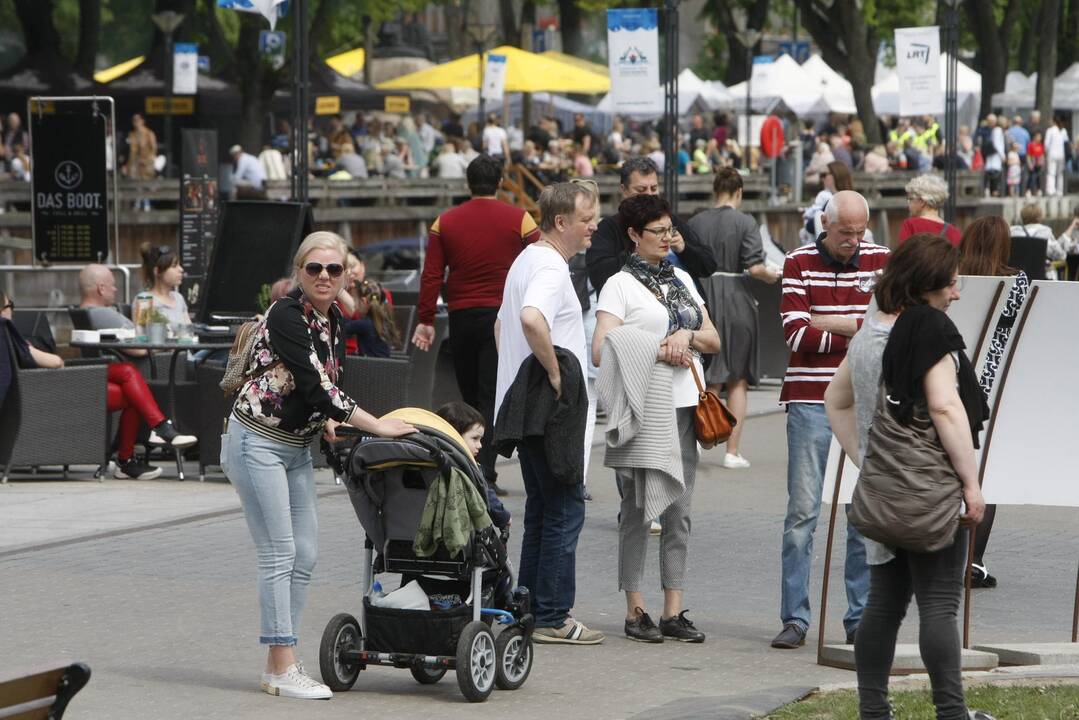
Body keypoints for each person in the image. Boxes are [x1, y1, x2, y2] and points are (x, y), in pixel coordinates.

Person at [223, 231, 414, 700]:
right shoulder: (288, 313)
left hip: (294, 447)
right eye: (314, 269)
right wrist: (380, 426)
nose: (324, 277)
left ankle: (276, 667)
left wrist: (330, 424)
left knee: (304, 555)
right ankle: (285, 663)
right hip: (257, 443)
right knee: (279, 554)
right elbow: (318, 387)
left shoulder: (332, 321)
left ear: (348, 273)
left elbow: (327, 386)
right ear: (299, 273)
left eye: (334, 269)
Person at [825, 234, 993, 720]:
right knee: (939, 605)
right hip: (931, 492)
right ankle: (951, 713)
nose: (957, 293)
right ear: (927, 286)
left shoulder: (866, 336)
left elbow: (834, 401)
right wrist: (971, 483)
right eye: (952, 284)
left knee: (882, 605)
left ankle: (873, 711)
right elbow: (944, 405)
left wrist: (869, 460)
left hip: (882, 496)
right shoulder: (928, 334)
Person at [592, 193, 721, 644]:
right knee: (637, 512)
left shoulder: (681, 277)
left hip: (686, 405)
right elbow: (600, 346)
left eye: (670, 230)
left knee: (679, 510)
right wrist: (658, 345)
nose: (668, 238)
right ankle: (635, 608)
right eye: (658, 232)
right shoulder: (619, 285)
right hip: (643, 406)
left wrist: (685, 333)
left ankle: (672, 609)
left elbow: (713, 337)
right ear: (633, 235)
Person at [772, 191, 890, 650]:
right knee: (802, 513)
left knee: (861, 514)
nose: (854, 242)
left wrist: (832, 320)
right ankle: (795, 616)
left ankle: (858, 617)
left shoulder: (880, 258)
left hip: (864, 398)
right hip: (809, 398)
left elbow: (890, 326)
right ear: (826, 223)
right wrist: (861, 324)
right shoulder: (798, 261)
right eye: (845, 234)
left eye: (860, 233)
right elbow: (796, 335)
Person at [494, 182, 603, 645]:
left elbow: (501, 324)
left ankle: (531, 606)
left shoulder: (526, 259)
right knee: (563, 508)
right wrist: (555, 375)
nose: (594, 226)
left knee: (542, 509)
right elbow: (529, 318)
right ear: (562, 222)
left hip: (526, 406)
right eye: (586, 219)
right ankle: (554, 616)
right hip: (550, 408)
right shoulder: (551, 267)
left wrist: (516, 381)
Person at [412, 155, 540, 496]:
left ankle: (472, 463)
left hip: (462, 315)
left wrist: (425, 318)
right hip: (502, 316)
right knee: (492, 392)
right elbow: (541, 262)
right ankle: (487, 470)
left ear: (467, 184)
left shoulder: (445, 222)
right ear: (500, 182)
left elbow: (432, 274)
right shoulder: (522, 219)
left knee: (469, 392)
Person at [2, 290, 196, 481]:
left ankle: (151, 436)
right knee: (133, 391)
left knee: (128, 373)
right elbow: (55, 363)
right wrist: (33, 348)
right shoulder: (7, 331)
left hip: (47, 386)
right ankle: (142, 445)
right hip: (55, 389)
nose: (13, 311)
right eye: (11, 305)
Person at [687, 168, 780, 468]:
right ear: (738, 192)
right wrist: (772, 276)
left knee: (707, 377)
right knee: (737, 378)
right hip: (736, 299)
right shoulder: (745, 222)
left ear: (716, 191)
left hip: (704, 296)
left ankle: (699, 441)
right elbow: (755, 268)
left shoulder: (696, 221)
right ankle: (732, 451)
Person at [959, 216, 1032, 588]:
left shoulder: (953, 277)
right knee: (987, 473)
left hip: (952, 376)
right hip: (992, 383)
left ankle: (939, 555)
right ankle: (974, 560)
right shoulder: (1016, 279)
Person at [585, 156, 717, 294]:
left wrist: (685, 249)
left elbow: (709, 266)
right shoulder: (609, 228)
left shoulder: (672, 221)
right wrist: (640, 251)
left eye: (653, 188)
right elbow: (599, 277)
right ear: (624, 190)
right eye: (641, 189)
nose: (649, 195)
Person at [435, 401, 510, 532]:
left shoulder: (425, 459)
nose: (480, 445)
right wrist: (504, 518)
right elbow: (488, 497)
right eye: (475, 438)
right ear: (455, 436)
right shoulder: (468, 467)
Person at [897, 174, 961, 246]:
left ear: (922, 201)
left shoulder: (910, 225)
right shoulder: (954, 232)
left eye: (910, 199)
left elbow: (902, 255)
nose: (908, 202)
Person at [139, 243, 189, 333]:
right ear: (157, 271)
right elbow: (142, 335)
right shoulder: (145, 299)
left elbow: (189, 331)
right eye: (174, 266)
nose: (181, 269)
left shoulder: (179, 298)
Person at [343, 279, 399, 357]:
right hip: (385, 366)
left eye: (355, 300)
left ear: (363, 301)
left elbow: (339, 329)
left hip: (368, 367)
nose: (354, 304)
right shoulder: (383, 320)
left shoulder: (364, 324)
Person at [1011, 203, 1066, 279]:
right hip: (1041, 279)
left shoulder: (1013, 232)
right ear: (1038, 218)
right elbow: (1060, 255)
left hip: (1017, 278)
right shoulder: (1045, 232)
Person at [123, 114, 157, 181]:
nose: (135, 122)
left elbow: (153, 150)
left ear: (142, 121)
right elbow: (132, 152)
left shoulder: (149, 133)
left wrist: (146, 161)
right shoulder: (132, 134)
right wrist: (128, 165)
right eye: (133, 120)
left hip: (147, 162)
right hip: (135, 164)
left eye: (137, 120)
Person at [1045, 116, 1069, 196]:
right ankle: (1060, 191)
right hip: (1061, 154)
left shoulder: (1050, 130)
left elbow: (1046, 145)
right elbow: (1066, 143)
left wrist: (1046, 154)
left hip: (1052, 154)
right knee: (1060, 174)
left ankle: (1051, 190)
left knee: (1051, 173)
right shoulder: (1063, 130)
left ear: (1053, 121)